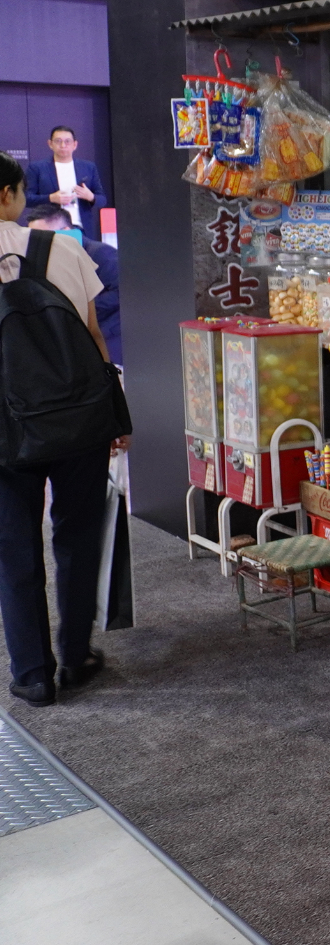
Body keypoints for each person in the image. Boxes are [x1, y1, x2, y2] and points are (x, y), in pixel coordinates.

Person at [0, 156, 127, 707]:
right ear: (9, 194)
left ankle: (33, 674)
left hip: (5, 428)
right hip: (76, 416)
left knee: (12, 548)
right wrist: (113, 415)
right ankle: (75, 655)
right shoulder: (61, 247)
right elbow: (92, 336)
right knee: (76, 534)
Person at [23, 205, 120, 367]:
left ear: (65, 230)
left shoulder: (102, 254)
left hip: (109, 340)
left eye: (42, 236)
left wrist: (84, 307)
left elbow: (121, 292)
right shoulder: (46, 258)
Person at [26, 127, 107, 241]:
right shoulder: (37, 168)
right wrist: (51, 198)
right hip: (50, 229)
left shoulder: (88, 167)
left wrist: (90, 196)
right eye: (58, 141)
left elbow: (102, 200)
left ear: (75, 144)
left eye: (67, 141)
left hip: (81, 229)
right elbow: (26, 199)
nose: (63, 145)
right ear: (50, 144)